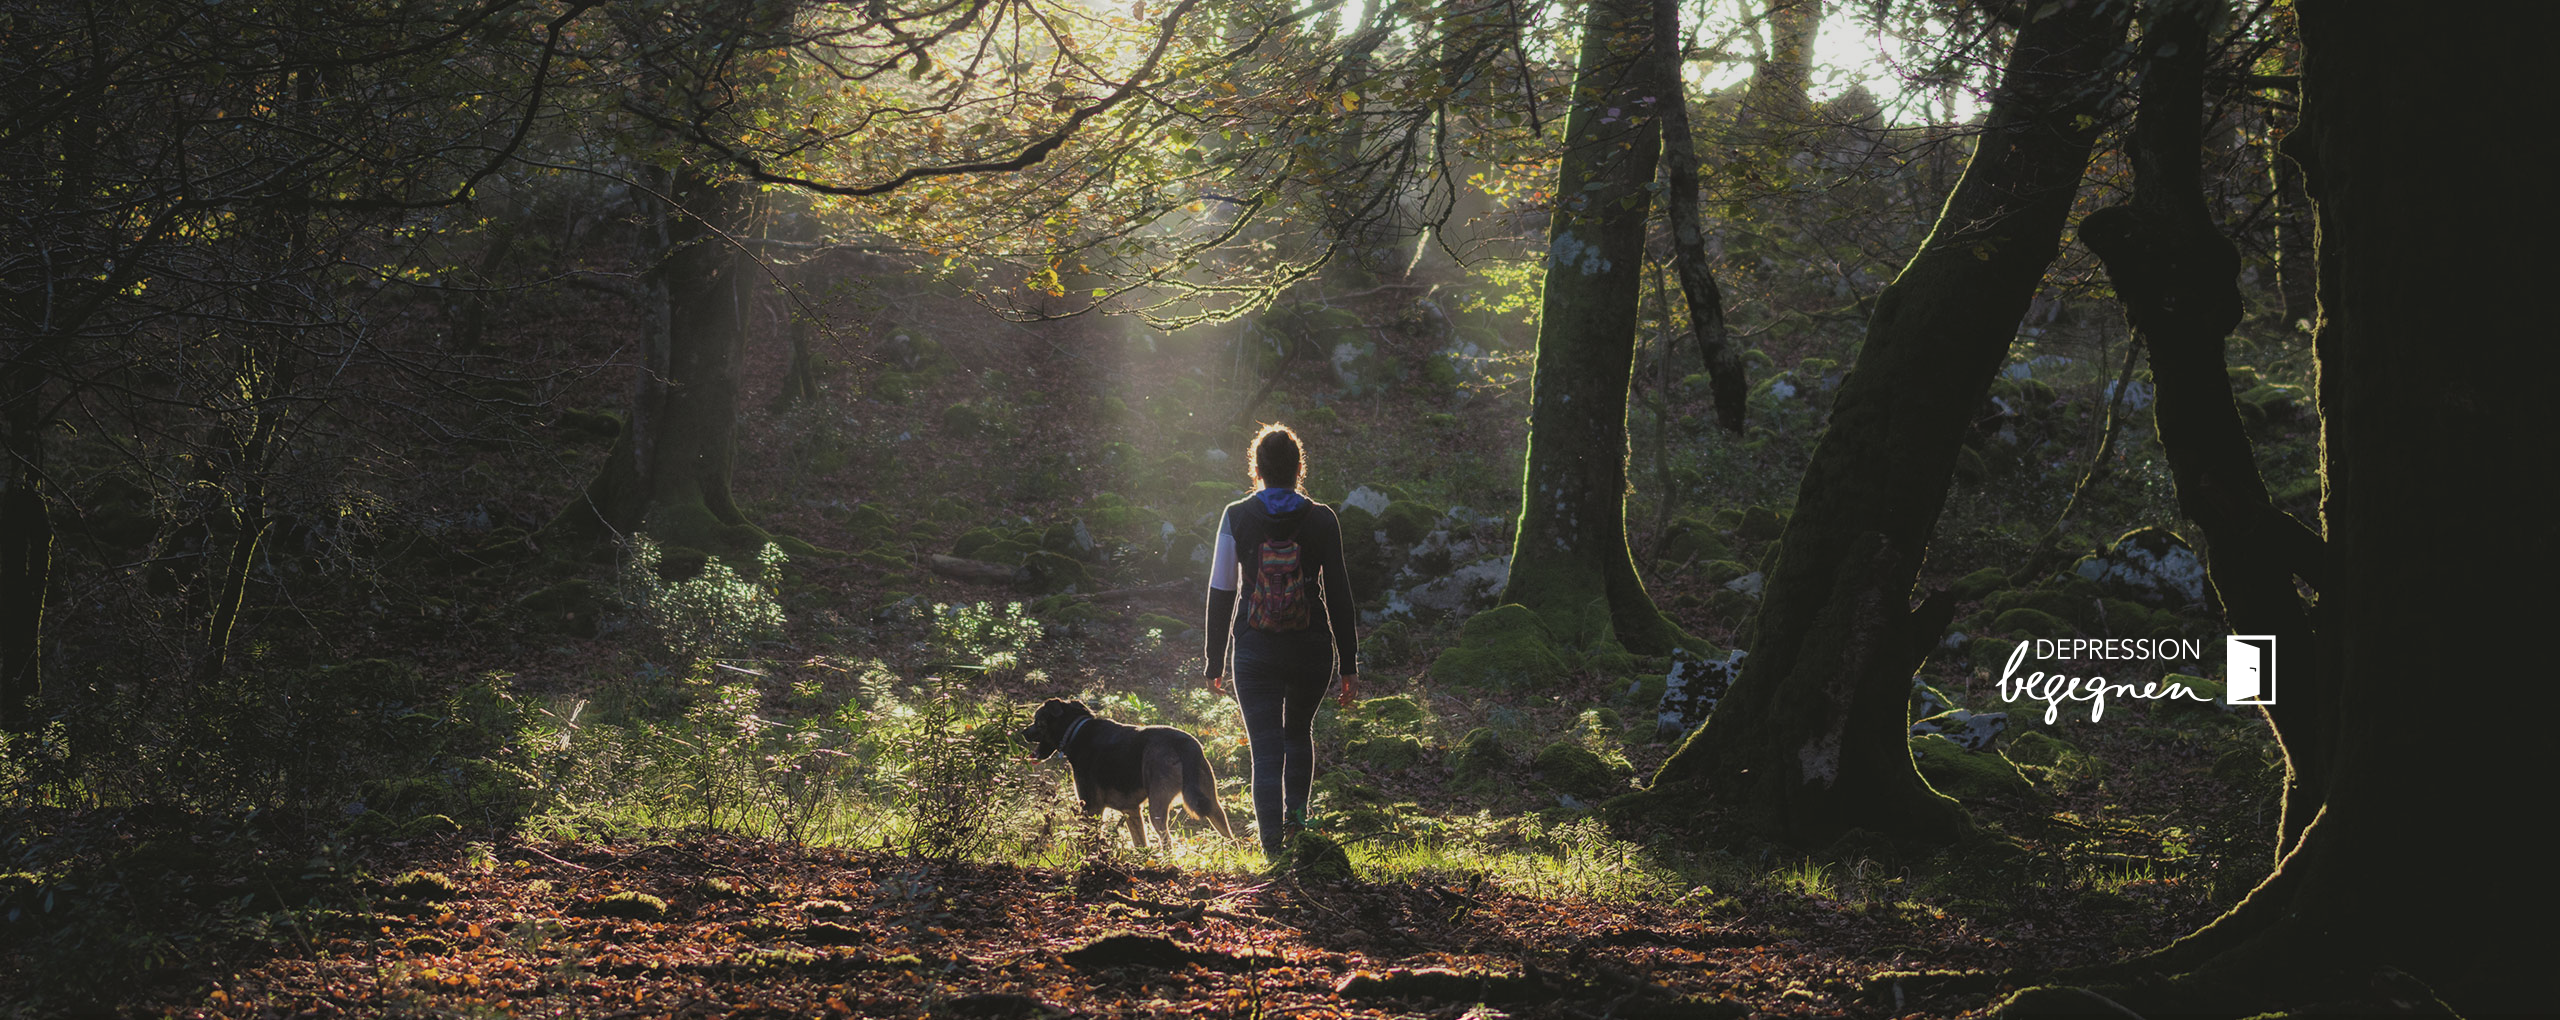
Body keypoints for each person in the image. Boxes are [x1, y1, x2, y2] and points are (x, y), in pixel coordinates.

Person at [1202, 423, 1359, 862]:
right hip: (1312, 647)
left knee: (1266, 750)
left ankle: (1273, 852)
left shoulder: (1236, 515)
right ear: (1298, 469)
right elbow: (1341, 594)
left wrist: (1215, 659)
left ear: (1257, 468)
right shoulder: (1322, 519)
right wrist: (1349, 664)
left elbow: (1221, 590)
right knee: (1298, 735)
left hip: (1255, 649)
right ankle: (1298, 828)